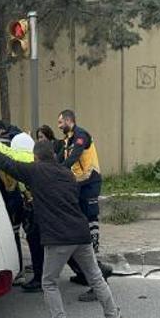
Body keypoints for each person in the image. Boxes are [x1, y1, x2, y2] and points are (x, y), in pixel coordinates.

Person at [0, 126, 127, 318]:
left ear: (36, 157)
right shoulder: (66, 173)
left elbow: (6, 162)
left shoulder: (35, 171)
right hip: (81, 234)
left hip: (58, 238)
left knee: (49, 282)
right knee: (95, 277)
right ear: (53, 156)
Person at [56, 110, 112, 302]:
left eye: (61, 121)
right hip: (79, 185)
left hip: (90, 183)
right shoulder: (67, 140)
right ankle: (85, 273)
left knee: (90, 223)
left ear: (69, 120)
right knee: (80, 225)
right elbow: (62, 158)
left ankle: (99, 280)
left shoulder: (81, 136)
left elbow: (74, 157)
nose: (59, 125)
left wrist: (59, 170)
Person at [0, 128, 42, 292]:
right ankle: (40, 274)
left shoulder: (22, 158)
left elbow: (5, 157)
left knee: (30, 241)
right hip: (36, 208)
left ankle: (28, 274)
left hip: (30, 208)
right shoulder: (33, 158)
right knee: (41, 243)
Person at [0, 120, 26, 282]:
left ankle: (18, 271)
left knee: (13, 236)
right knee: (15, 235)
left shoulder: (0, 146)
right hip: (18, 197)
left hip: (10, 198)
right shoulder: (15, 142)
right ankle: (20, 269)